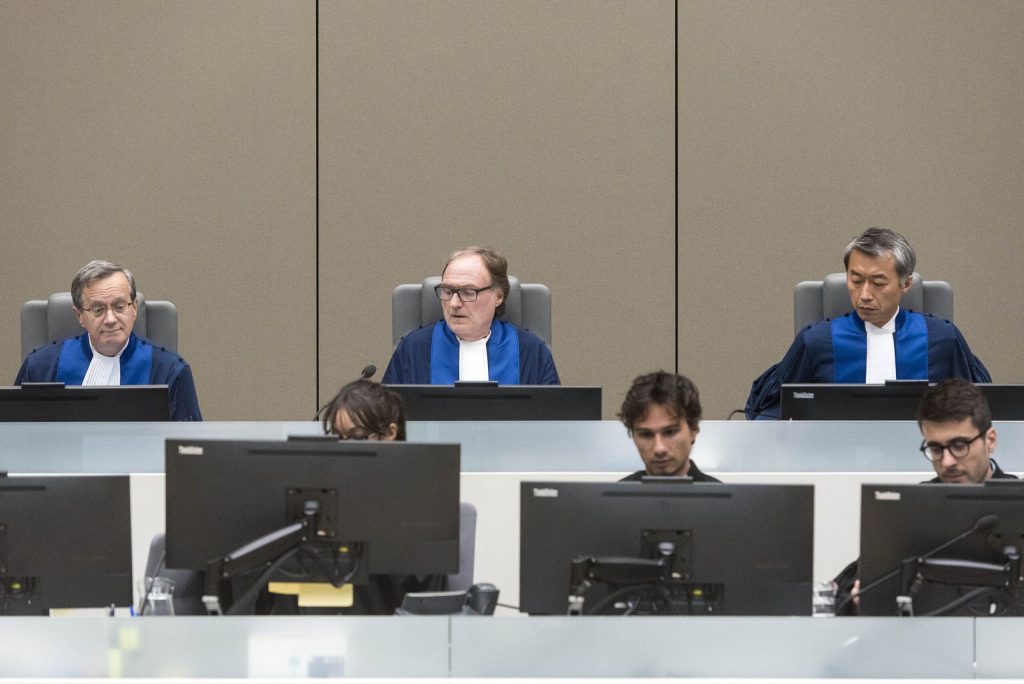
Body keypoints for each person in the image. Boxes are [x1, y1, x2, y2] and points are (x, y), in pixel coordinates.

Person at [745, 228, 990, 419]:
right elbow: (767, 412)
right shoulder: (816, 341)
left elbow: (983, 411)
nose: (864, 295)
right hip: (835, 460)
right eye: (855, 281)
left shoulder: (943, 339)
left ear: (905, 284)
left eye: (878, 283)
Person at [255, 379, 444, 615]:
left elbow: (423, 601)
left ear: (389, 434)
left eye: (357, 438)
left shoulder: (419, 506)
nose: (344, 449)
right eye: (336, 437)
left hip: (388, 630)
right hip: (307, 630)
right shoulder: (311, 503)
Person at [833, 379, 1017, 614]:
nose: (947, 461)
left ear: (990, 441)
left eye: (959, 445)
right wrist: (859, 600)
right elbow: (847, 588)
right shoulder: (913, 507)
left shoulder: (1018, 501)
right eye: (936, 449)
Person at [15, 260, 201, 421]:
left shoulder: (171, 371)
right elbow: (12, 440)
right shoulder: (39, 367)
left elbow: (187, 446)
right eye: (98, 309)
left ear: (134, 309)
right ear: (80, 316)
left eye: (119, 306)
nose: (110, 319)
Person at [382, 246, 559, 385]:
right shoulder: (414, 350)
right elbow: (388, 417)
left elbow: (554, 417)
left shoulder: (530, 351)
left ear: (498, 296)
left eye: (468, 292)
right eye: (447, 291)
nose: (454, 303)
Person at [617, 371, 719, 482]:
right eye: (646, 435)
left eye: (670, 432)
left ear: (693, 429)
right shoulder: (614, 493)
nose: (659, 448)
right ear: (633, 436)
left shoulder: (722, 493)